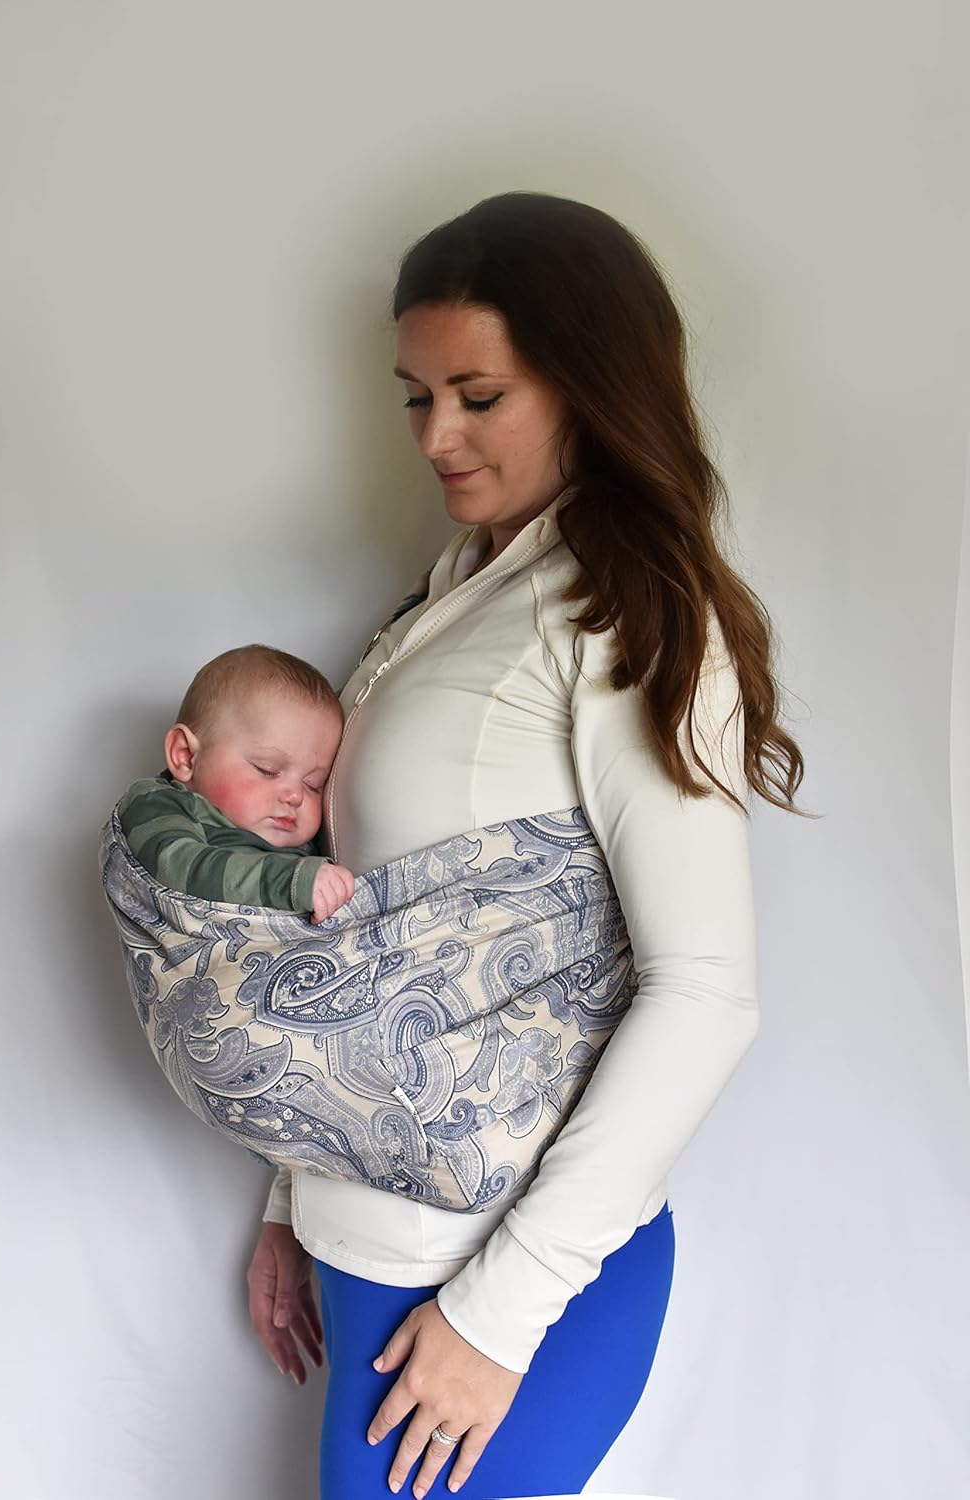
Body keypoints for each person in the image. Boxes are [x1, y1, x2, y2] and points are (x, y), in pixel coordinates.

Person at [245, 192, 804, 1500]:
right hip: (377, 1247)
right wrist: (291, 1199)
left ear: (590, 385)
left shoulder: (630, 615)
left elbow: (706, 991)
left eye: (479, 396)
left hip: (501, 1282)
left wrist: (501, 1316)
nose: (434, 435)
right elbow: (367, 930)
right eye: (415, 396)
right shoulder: (451, 598)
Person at [119, 644, 355, 921]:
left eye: (314, 784)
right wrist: (289, 881)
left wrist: (327, 881)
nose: (295, 796)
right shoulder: (158, 802)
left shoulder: (304, 841)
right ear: (185, 756)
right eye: (267, 770)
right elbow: (175, 867)